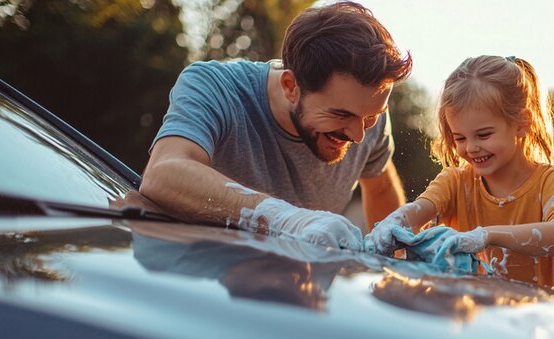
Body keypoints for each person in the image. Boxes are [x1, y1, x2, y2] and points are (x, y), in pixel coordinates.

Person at [140, 2, 412, 249]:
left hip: (305, 294)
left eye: (371, 117)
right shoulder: (215, 87)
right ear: (290, 86)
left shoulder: (365, 113)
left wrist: (396, 262)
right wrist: (287, 220)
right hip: (199, 286)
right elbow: (164, 173)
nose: (359, 134)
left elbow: (380, 186)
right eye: (341, 115)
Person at [365, 55, 554, 289]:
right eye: (460, 138)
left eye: (484, 135)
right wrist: (395, 222)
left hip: (540, 317)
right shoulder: (455, 181)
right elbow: (421, 209)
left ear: (522, 123)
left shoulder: (547, 180)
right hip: (473, 313)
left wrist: (486, 236)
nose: (470, 148)